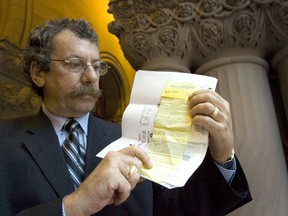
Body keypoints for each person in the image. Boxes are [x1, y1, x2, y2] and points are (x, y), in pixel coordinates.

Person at [0, 18, 251, 216]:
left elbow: (181, 209)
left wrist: (223, 157)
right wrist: (74, 206)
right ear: (38, 73)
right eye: (75, 64)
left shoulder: (134, 136)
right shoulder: (4, 141)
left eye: (97, 66)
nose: (91, 77)